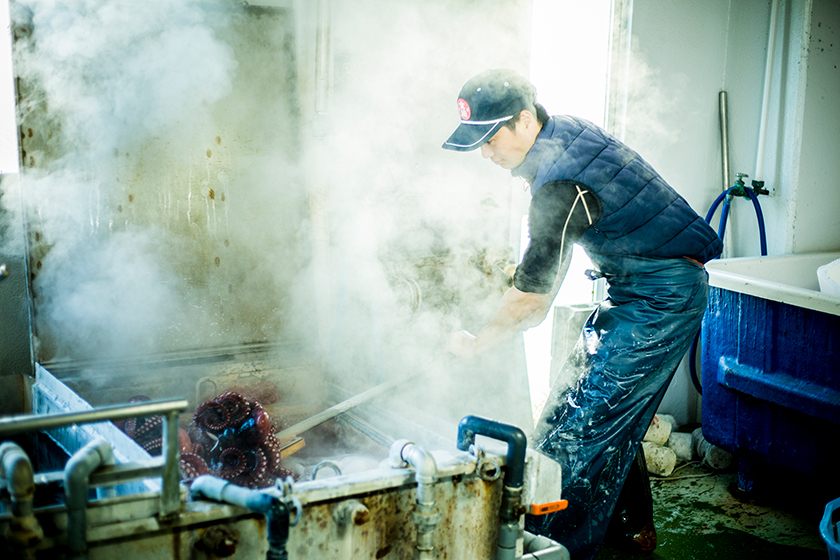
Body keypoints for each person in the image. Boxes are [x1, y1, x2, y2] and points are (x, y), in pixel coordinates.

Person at [441, 69, 722, 559]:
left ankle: (555, 550)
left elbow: (533, 299)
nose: (487, 154)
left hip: (662, 297)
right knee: (588, 409)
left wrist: (475, 344)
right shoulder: (562, 133)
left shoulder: (559, 181)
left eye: (491, 139)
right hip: (635, 288)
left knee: (579, 431)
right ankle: (633, 530)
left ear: (525, 121)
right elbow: (552, 266)